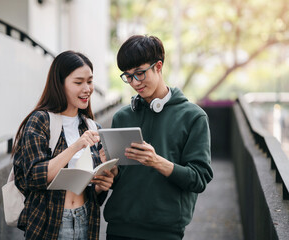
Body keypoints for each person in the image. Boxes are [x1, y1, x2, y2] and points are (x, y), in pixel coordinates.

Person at [103, 35, 213, 240]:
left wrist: (157, 162)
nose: (134, 82)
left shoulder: (193, 117)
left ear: (158, 66)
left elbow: (199, 179)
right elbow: (119, 179)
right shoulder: (122, 117)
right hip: (118, 228)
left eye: (140, 73)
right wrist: (108, 171)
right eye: (127, 76)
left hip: (165, 232)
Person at [11, 50, 115, 239]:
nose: (87, 89)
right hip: (51, 223)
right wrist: (76, 146)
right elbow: (34, 177)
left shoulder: (92, 126)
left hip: (86, 219)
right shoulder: (40, 121)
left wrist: (101, 186)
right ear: (60, 84)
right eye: (78, 82)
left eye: (90, 81)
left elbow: (94, 195)